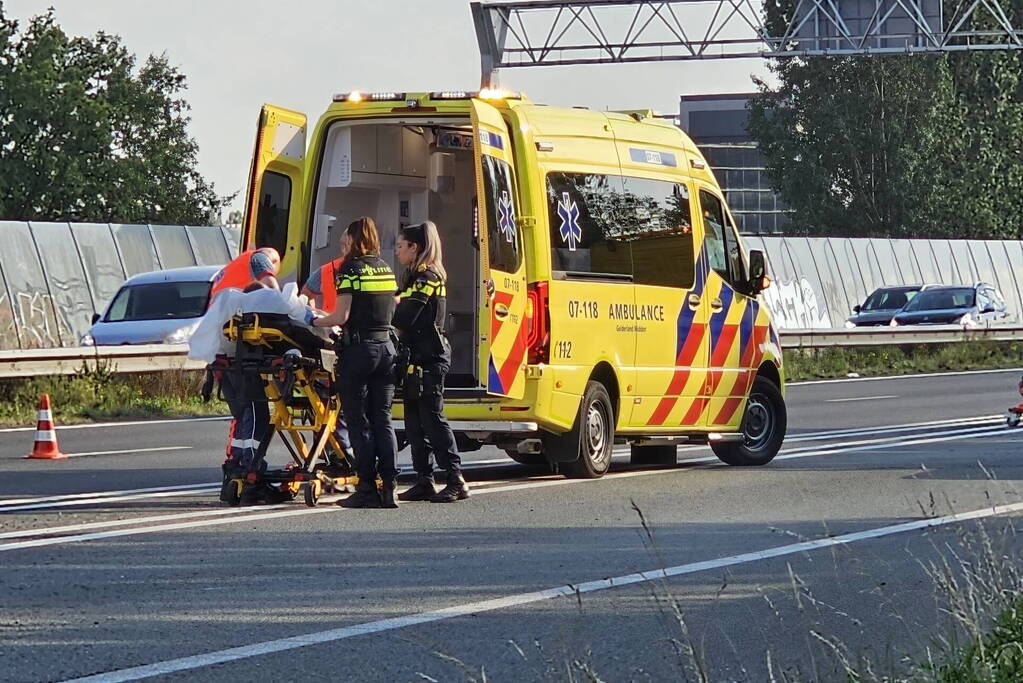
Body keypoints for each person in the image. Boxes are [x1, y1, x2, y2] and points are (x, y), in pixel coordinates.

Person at [312, 217, 400, 509]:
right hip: (387, 350)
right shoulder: (386, 268)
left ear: (354, 239)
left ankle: (366, 487)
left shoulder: (350, 269)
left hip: (360, 351)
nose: (342, 243)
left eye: (345, 238)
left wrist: (314, 319)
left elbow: (340, 317)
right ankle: (389, 486)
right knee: (383, 419)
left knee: (359, 421)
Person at [393, 221, 468, 503]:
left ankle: (455, 478)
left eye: (401, 246)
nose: (397, 251)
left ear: (415, 248)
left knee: (433, 419)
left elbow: (406, 315)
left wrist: (389, 305)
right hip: (415, 356)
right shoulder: (412, 275)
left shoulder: (429, 276)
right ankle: (424, 479)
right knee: (413, 421)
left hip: (431, 357)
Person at [300, 251, 353, 468]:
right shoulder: (362, 270)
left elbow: (304, 295)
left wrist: (315, 314)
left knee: (325, 404)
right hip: (339, 339)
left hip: (329, 339)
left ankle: (328, 452)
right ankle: (338, 453)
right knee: (337, 404)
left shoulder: (327, 270)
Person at [210, 247, 281, 303]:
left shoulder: (242, 261)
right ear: (274, 262)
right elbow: (274, 293)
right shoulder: (260, 258)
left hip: (217, 313)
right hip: (225, 314)